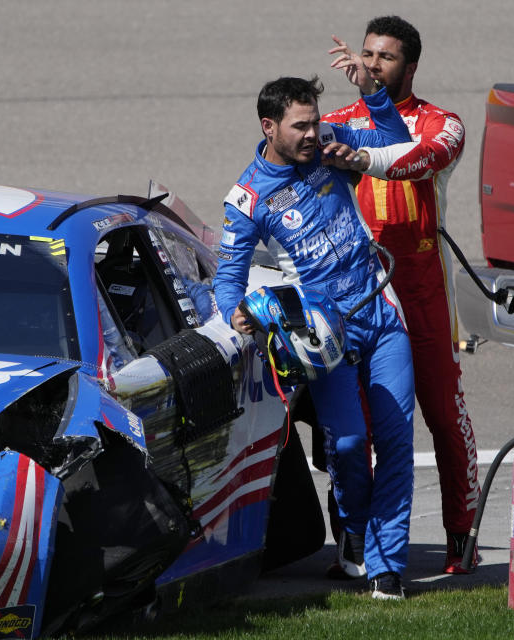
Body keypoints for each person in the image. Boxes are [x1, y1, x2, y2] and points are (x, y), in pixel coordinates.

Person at [212, 75, 417, 600]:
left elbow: (397, 137)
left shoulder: (331, 145)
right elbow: (229, 276)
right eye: (299, 126)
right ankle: (352, 528)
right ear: (269, 127)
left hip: (382, 312)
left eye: (314, 121)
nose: (311, 134)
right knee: (349, 444)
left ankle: (387, 566)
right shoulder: (249, 196)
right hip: (322, 334)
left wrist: (373, 96)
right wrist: (235, 313)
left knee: (395, 439)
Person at [322, 15, 480, 574]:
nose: (370, 65)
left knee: (444, 413)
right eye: (366, 54)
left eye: (384, 58)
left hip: (424, 288)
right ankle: (354, 535)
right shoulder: (334, 122)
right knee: (355, 426)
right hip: (358, 291)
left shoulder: (445, 124)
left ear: (410, 67)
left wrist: (360, 157)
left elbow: (413, 160)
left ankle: (462, 530)